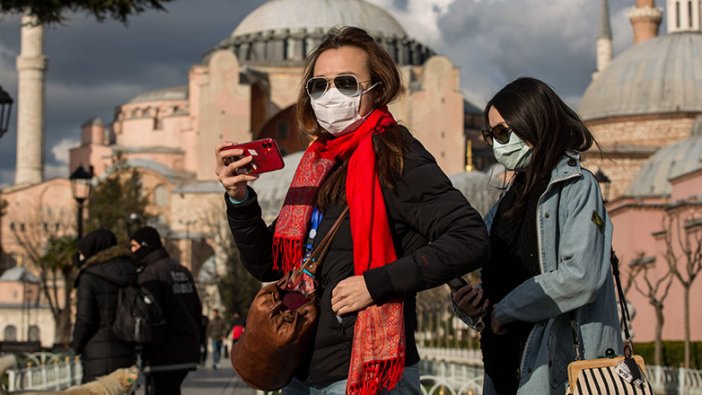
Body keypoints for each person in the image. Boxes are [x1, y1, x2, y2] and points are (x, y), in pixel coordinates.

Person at [215, 26, 489, 394]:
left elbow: (469, 238)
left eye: (345, 83)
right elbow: (270, 264)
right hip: (302, 364)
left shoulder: (396, 154)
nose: (330, 95)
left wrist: (375, 285)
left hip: (364, 371)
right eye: (319, 85)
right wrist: (239, 199)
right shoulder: (317, 163)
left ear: (378, 88)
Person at [452, 77, 622, 395]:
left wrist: (505, 310)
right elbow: (500, 286)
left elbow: (580, 277)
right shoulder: (505, 204)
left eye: (503, 132)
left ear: (533, 122)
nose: (497, 144)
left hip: (558, 371)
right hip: (503, 368)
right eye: (491, 136)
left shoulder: (576, 186)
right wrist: (472, 305)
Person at [130, 226, 202, 395]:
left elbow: (149, 314)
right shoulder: (182, 270)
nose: (132, 251)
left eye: (134, 246)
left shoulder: (150, 274)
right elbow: (196, 309)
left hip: (163, 351)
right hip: (186, 349)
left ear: (145, 245)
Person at [72, 229, 137, 383]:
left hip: (97, 352)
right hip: (127, 350)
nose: (80, 257)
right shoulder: (131, 271)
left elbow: (85, 319)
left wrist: (76, 346)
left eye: (82, 252)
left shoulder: (89, 277)